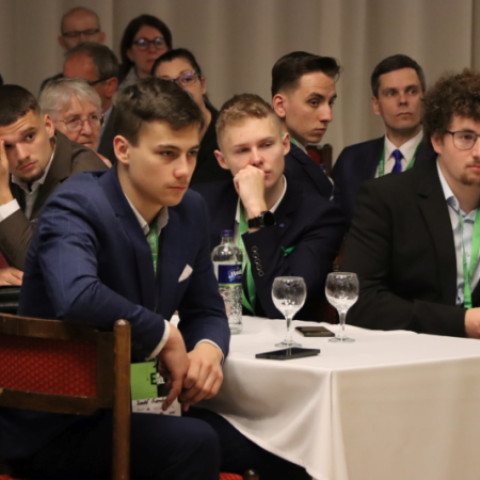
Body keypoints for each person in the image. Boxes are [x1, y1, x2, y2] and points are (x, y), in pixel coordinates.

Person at [3, 78, 310, 480]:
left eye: (191, 153)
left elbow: (207, 309)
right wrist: (164, 334)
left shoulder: (189, 209)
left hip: (144, 399)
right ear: (123, 149)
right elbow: (76, 295)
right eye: (167, 153)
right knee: (194, 442)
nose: (183, 170)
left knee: (287, 447)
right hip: (65, 419)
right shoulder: (76, 204)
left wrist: (209, 350)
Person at [342, 68, 480, 338]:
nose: (478, 152)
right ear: (437, 140)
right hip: (410, 352)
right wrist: (461, 322)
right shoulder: (386, 198)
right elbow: (360, 300)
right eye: (465, 137)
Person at [193, 93, 345, 320]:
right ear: (222, 160)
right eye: (242, 150)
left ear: (285, 144)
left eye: (266, 145)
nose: (256, 159)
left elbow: (284, 305)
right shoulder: (200, 203)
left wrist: (256, 210)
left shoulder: (320, 216)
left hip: (286, 338)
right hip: (215, 334)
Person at [0, 84, 105, 280]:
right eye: (7, 146)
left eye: (29, 137)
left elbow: (40, 264)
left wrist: (3, 196)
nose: (22, 155)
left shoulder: (84, 174)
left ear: (48, 126)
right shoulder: (4, 167)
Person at [332, 54, 433, 222]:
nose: (403, 100)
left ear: (424, 98)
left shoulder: (442, 157)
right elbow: (335, 223)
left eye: (412, 91)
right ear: (376, 105)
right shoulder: (350, 160)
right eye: (391, 93)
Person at [152, 48, 232, 184]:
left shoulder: (229, 133)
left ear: (202, 85)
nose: (179, 89)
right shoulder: (152, 140)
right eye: (166, 84)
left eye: (187, 79)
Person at [271, 51, 340, 199]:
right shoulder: (276, 166)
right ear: (280, 106)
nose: (328, 116)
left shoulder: (296, 156)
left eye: (330, 102)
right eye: (314, 102)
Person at [63, 42, 120, 163]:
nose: (70, 92)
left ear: (110, 86)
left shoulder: (128, 131)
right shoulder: (57, 128)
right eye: (66, 84)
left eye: (81, 85)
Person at [39, 78, 110, 167]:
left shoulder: (104, 167)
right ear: (48, 126)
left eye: (93, 117)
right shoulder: (38, 171)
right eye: (73, 120)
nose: (88, 130)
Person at [41, 6, 106, 90]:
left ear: (102, 37)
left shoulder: (120, 79)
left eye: (89, 32)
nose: (82, 40)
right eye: (73, 34)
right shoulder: (51, 87)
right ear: (62, 41)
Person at [118, 14, 172, 89]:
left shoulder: (181, 85)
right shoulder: (115, 88)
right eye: (142, 43)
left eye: (158, 42)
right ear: (129, 53)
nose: (152, 49)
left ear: (168, 50)